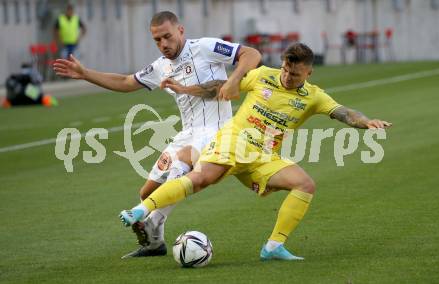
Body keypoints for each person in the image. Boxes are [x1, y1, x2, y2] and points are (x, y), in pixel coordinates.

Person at [119, 43, 392, 261]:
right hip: (233, 141)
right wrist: (186, 88)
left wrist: (365, 122)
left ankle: (273, 247)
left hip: (263, 157)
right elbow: (220, 88)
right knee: (202, 179)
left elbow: (344, 112)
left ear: (309, 73)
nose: (286, 76)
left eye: (294, 74)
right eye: (285, 69)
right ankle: (140, 211)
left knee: (305, 184)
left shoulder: (314, 96)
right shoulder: (264, 76)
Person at [53, 11, 261, 257]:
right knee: (148, 193)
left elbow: (251, 54)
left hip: (216, 131)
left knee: (181, 163)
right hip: (188, 133)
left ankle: (151, 220)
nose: (163, 44)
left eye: (167, 37)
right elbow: (126, 82)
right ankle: (155, 243)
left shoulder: (204, 47)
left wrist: (235, 79)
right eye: (157, 40)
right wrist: (86, 73)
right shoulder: (161, 66)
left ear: (180, 31)